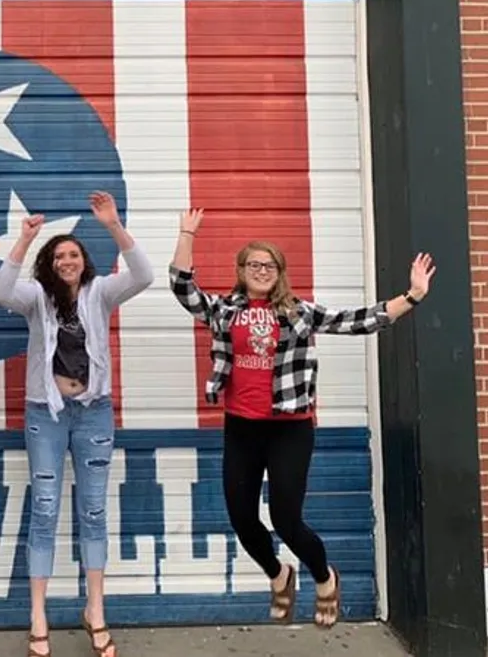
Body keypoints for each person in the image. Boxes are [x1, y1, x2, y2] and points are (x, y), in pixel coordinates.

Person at [168, 208, 435, 629]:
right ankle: (279, 575)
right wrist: (186, 234)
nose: (260, 271)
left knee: (285, 519)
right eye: (252, 265)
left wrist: (413, 295)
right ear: (241, 271)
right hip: (241, 427)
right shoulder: (224, 310)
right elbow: (183, 289)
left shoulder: (299, 313)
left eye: (268, 265)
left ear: (279, 272)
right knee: (241, 517)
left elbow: (358, 321)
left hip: (289, 428)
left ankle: (324, 577)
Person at [0, 191, 154, 657]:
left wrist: (113, 225)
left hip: (94, 412)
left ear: (85, 262)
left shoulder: (101, 292)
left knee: (95, 511)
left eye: (74, 255)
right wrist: (23, 241)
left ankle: (95, 610)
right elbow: (2, 291)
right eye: (59, 255)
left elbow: (143, 274)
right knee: (44, 510)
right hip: (46, 414)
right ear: (49, 262)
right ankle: (38, 616)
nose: (67, 261)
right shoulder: (36, 298)